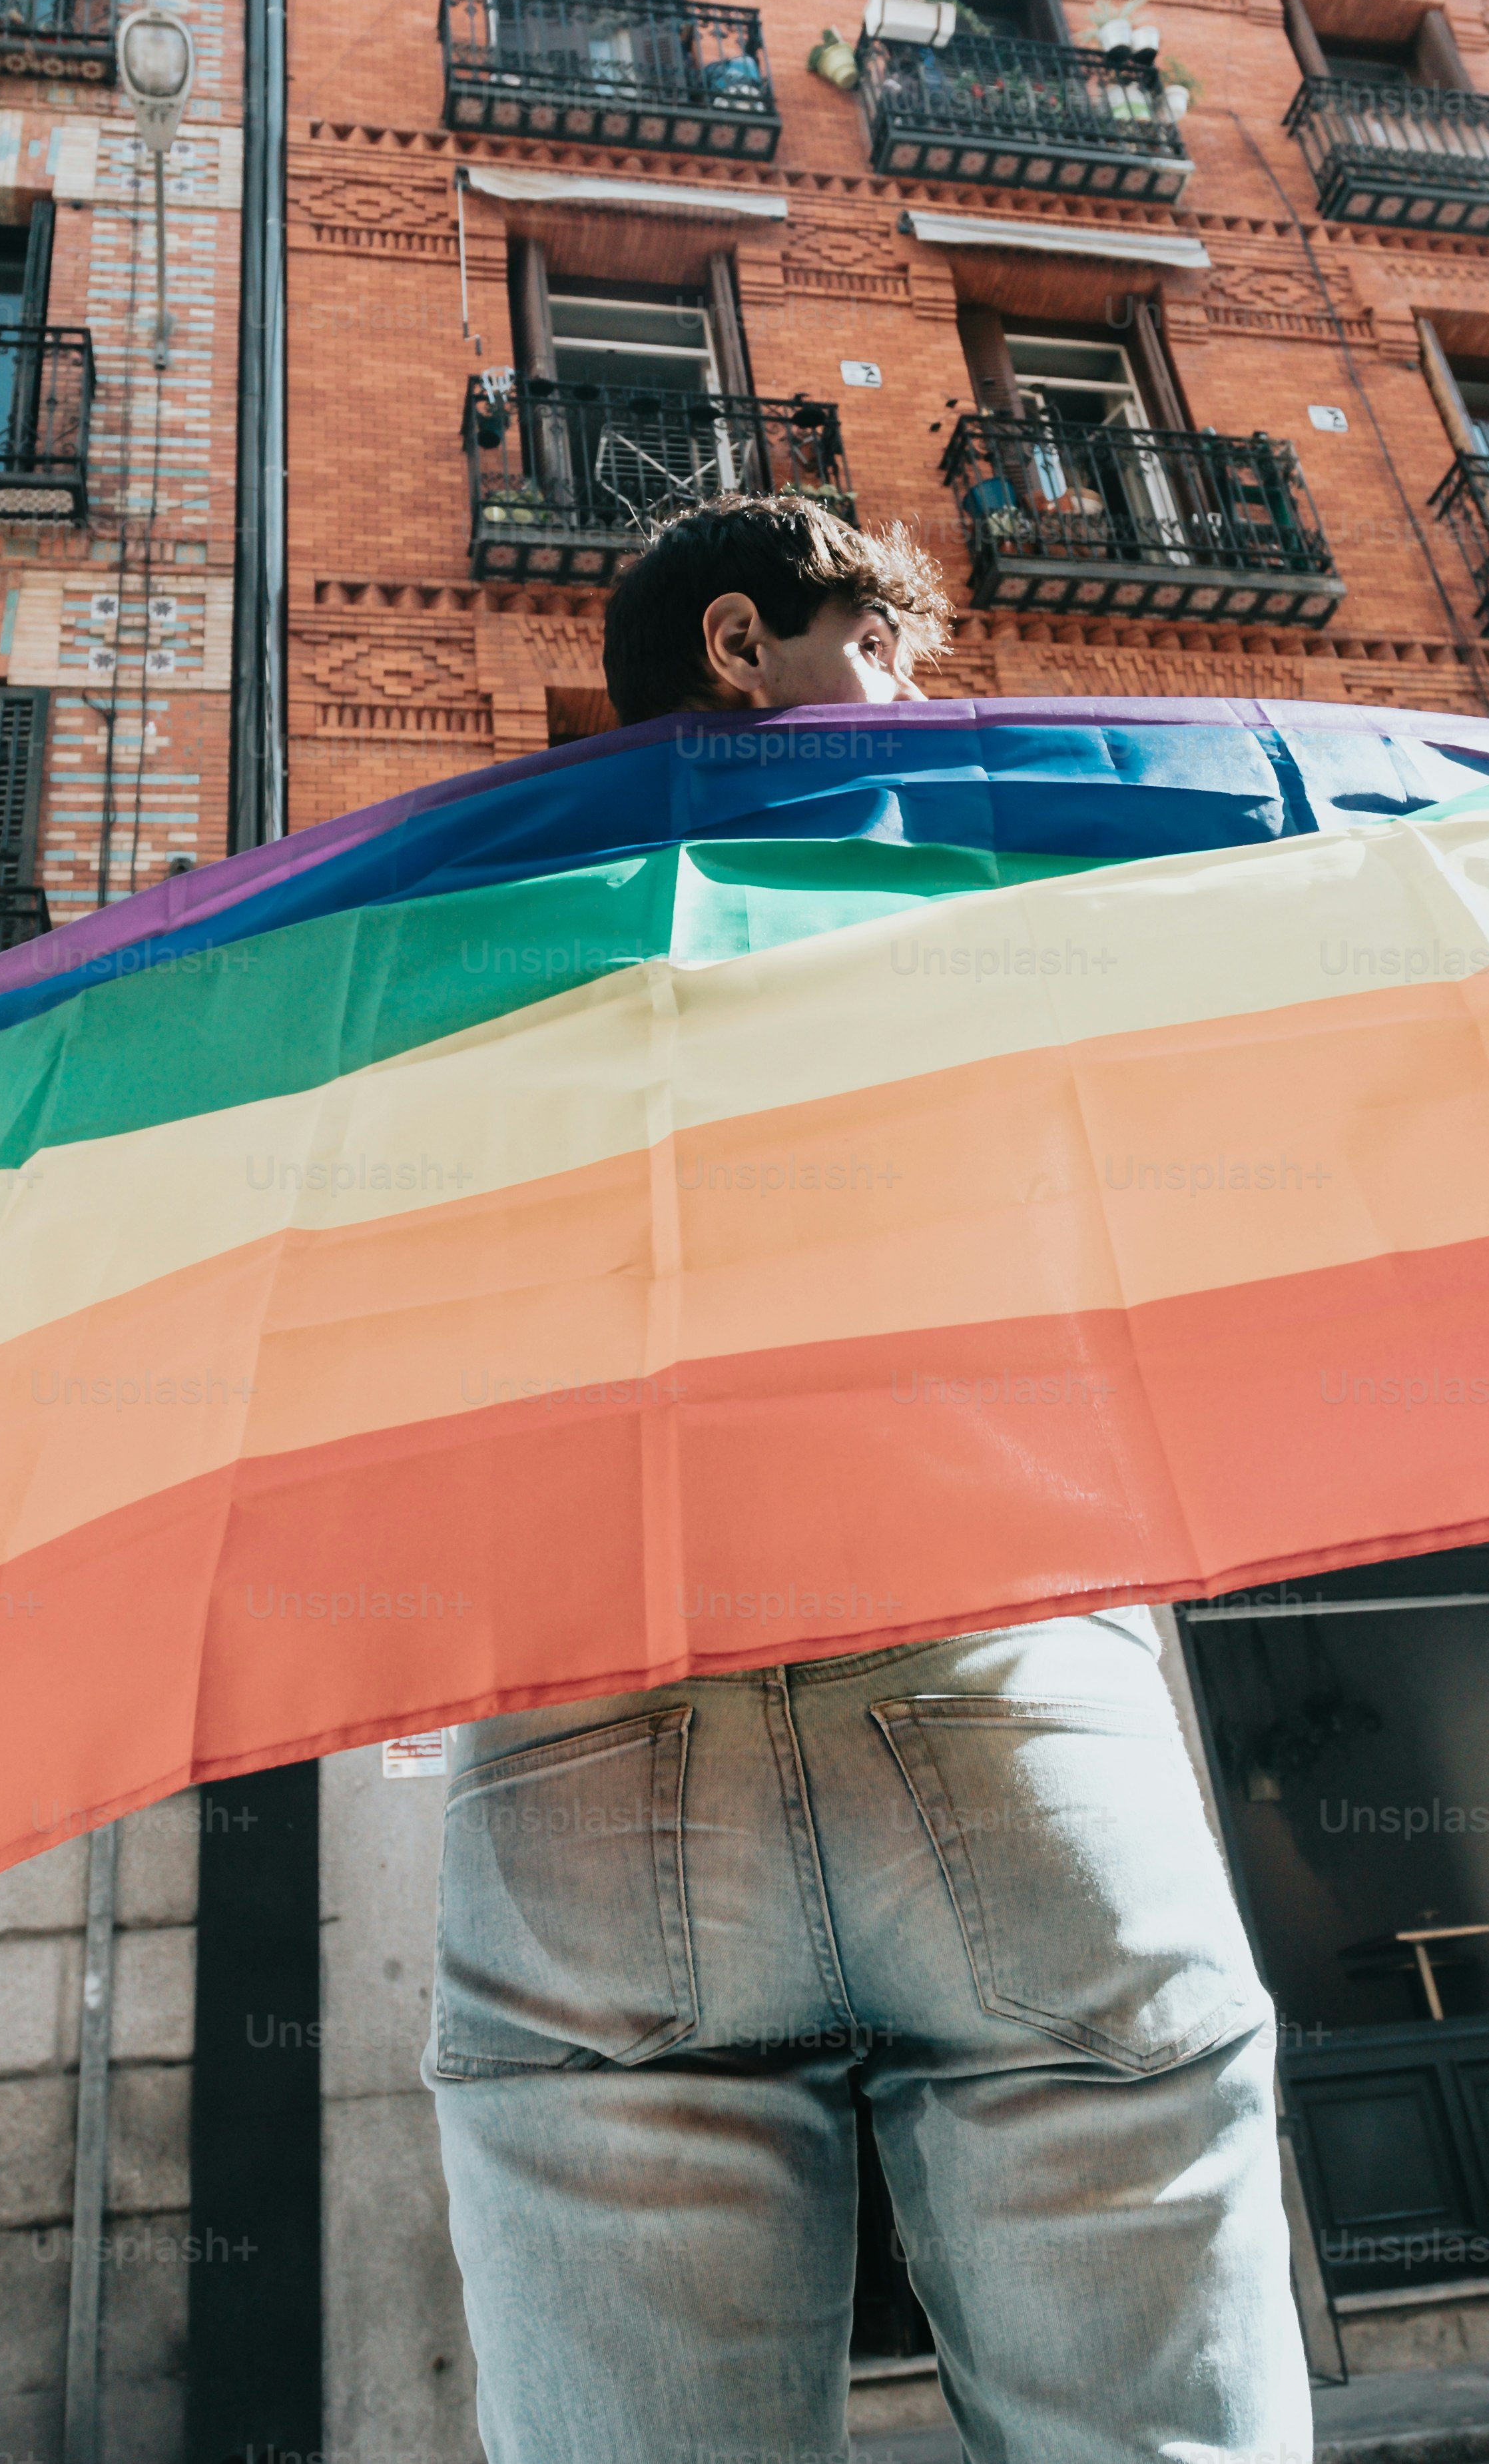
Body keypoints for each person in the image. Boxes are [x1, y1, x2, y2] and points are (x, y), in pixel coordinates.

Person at [424, 496, 1313, 2464]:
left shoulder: (458, 936)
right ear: (744, 646)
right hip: (999, 1670)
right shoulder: (992, 883)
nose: (923, 697)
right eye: (882, 651)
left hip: (587, 1730)